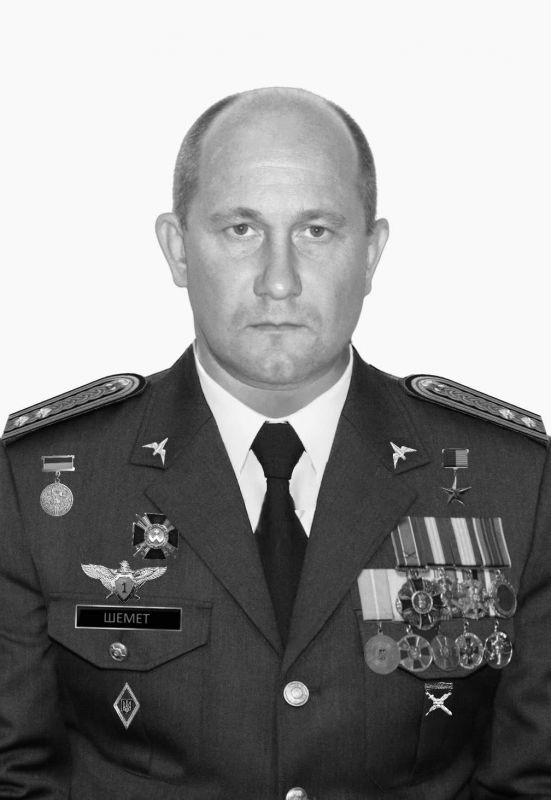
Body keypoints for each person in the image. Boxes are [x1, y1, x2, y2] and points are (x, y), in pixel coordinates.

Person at [1, 87, 550, 800]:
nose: (279, 281)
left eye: (316, 230)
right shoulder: (40, 488)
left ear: (371, 253)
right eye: (241, 229)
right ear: (177, 248)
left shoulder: (515, 485)